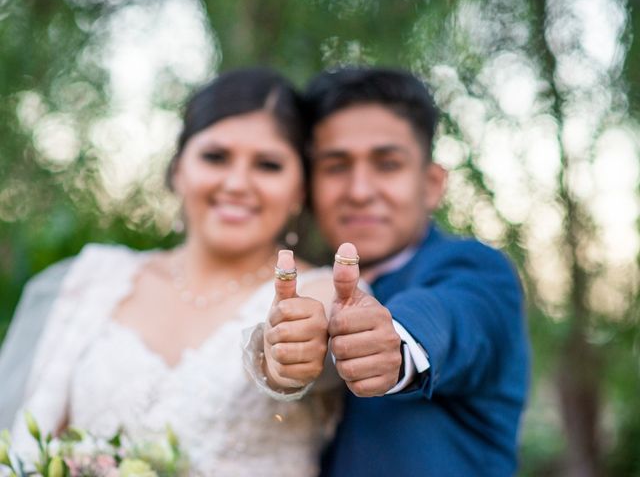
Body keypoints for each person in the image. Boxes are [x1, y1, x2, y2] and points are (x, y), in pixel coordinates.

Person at [0, 68, 340, 476]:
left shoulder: (325, 292)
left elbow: (312, 358)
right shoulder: (88, 283)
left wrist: (287, 360)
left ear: (300, 189)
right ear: (178, 168)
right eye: (215, 157)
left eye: (267, 165)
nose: (237, 183)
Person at [268, 67, 530, 476]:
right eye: (336, 166)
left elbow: (452, 317)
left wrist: (398, 339)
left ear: (431, 184)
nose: (359, 191)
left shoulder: (478, 270)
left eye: (387, 164)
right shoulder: (302, 289)